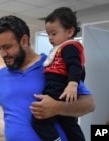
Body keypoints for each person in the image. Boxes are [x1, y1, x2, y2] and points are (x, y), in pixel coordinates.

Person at [31, 7, 87, 141]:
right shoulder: (61, 48)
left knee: (38, 119)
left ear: (70, 31)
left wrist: (72, 85)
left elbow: (75, 66)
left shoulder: (69, 47)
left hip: (57, 87)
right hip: (60, 88)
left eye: (54, 33)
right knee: (68, 122)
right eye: (48, 34)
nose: (50, 38)